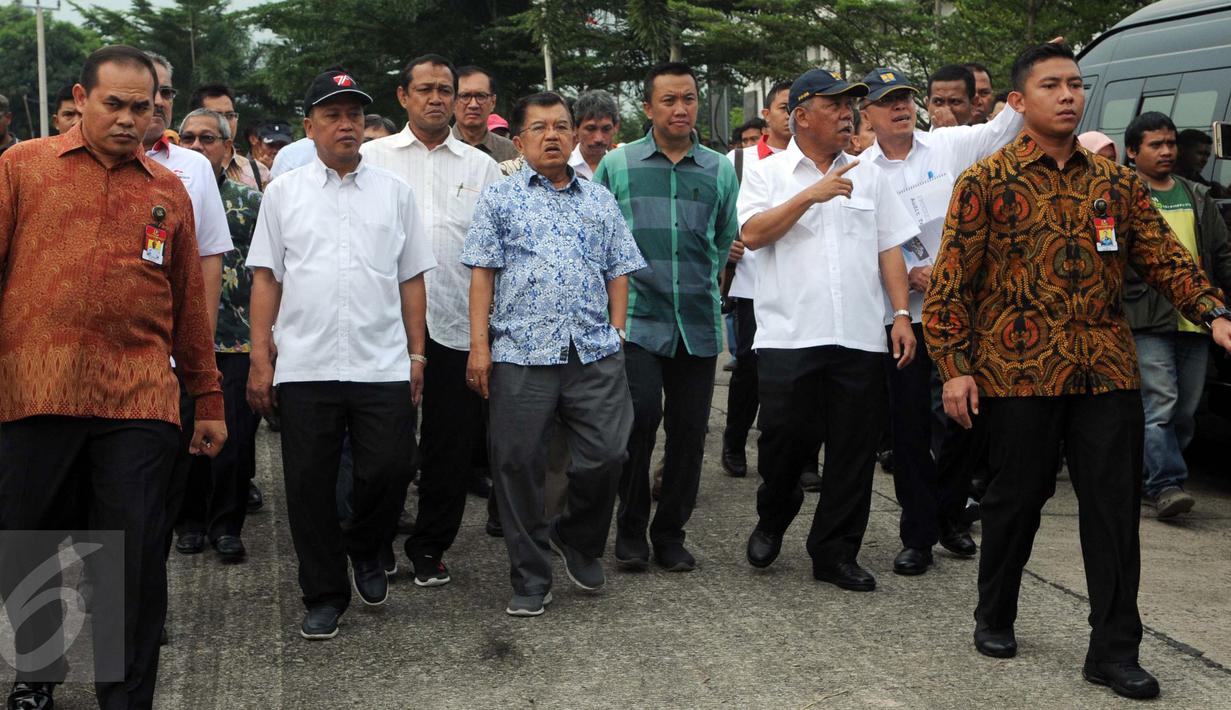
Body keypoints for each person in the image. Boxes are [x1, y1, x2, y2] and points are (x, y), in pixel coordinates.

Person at [923, 42, 1231, 700]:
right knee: (1016, 501)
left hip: (1105, 371)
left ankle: (1113, 648)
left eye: (1075, 84)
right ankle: (994, 611)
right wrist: (954, 367)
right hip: (1018, 371)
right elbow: (950, 285)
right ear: (1018, 101)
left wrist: (1212, 314)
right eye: (1051, 85)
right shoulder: (985, 182)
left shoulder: (1113, 184)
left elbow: (1162, 259)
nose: (1067, 95)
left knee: (1113, 512)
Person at [0, 45, 225, 710]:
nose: (131, 119)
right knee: (29, 544)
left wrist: (207, 398)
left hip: (138, 398)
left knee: (130, 558)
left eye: (144, 106)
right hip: (33, 391)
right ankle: (36, 677)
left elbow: (189, 305)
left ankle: (123, 698)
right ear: (81, 96)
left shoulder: (168, 190)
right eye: (115, 104)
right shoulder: (21, 169)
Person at [245, 68, 436, 640]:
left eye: (354, 115)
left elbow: (411, 280)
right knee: (307, 485)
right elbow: (266, 279)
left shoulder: (395, 195)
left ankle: (365, 546)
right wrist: (261, 358)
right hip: (306, 364)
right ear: (310, 127)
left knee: (392, 468)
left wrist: (418, 355)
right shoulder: (283, 194)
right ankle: (324, 593)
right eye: (333, 115)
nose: (346, 125)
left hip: (381, 362)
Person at [461, 91, 645, 616]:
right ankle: (530, 575)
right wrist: (480, 349)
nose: (552, 136)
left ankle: (578, 540)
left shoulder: (598, 199)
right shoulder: (500, 199)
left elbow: (618, 269)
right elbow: (482, 274)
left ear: (574, 134)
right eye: (539, 128)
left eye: (561, 126)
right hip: (520, 353)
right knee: (518, 465)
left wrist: (616, 330)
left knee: (609, 452)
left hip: (593, 352)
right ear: (518, 141)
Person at [738, 68, 918, 592]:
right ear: (801, 115)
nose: (849, 114)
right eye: (837, 104)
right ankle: (775, 512)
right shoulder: (764, 171)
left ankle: (835, 552)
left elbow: (890, 248)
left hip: (859, 335)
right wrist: (809, 196)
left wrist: (901, 315)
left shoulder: (871, 174)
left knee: (852, 451)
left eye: (851, 105)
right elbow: (751, 234)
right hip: (789, 334)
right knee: (784, 441)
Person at [857, 65, 1024, 576]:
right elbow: (856, 245)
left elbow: (1007, 127)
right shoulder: (857, 170)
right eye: (888, 102)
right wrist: (909, 274)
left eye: (907, 97)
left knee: (966, 421)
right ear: (867, 114)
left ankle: (949, 511)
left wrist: (1036, 65)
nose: (901, 107)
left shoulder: (948, 146)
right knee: (907, 428)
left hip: (963, 315)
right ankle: (918, 534)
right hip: (899, 317)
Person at [361, 53, 501, 587]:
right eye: (426, 89)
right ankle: (374, 543)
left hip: (457, 323)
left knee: (451, 447)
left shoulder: (480, 166)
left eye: (446, 89)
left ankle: (429, 546)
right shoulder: (372, 158)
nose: (438, 98)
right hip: (385, 327)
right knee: (385, 450)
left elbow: (492, 255)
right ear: (403, 96)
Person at [595, 62, 740, 572]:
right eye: (669, 100)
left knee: (689, 432)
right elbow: (599, 237)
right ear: (648, 108)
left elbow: (724, 240)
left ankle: (671, 532)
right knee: (638, 423)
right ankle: (630, 531)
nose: (681, 109)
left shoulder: (720, 168)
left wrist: (704, 283)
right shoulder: (618, 165)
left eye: (690, 99)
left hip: (697, 323)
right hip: (636, 318)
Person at [1124, 111, 1231, 518]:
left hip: (1196, 320)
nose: (1167, 151)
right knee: (1161, 401)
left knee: (1185, 410)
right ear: (1133, 152)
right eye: (1156, 144)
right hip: (1146, 317)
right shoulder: (1122, 193)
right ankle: (1165, 484)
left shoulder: (1195, 195)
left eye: (1170, 143)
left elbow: (1220, 255)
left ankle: (1149, 476)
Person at [174, 108, 264, 562]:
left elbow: (271, 274)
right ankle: (188, 521)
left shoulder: (251, 205)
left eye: (207, 139)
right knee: (184, 434)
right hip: (180, 344)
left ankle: (227, 526)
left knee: (234, 441)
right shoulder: (165, 194)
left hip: (237, 339)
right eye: (187, 138)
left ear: (228, 150)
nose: (196, 146)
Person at [189, 84, 271, 190]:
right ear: (194, 119)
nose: (225, 123)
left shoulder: (259, 173)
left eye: (230, 115)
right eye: (216, 115)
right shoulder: (181, 168)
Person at [452, 66, 519, 162]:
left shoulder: (512, 153)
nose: (473, 105)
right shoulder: (437, 148)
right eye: (465, 96)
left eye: (481, 96)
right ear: (452, 101)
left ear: (493, 102)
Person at [568, 89, 621, 180]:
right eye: (590, 129)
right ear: (575, 129)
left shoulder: (622, 167)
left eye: (606, 129)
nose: (598, 138)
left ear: (616, 127)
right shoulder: (562, 169)